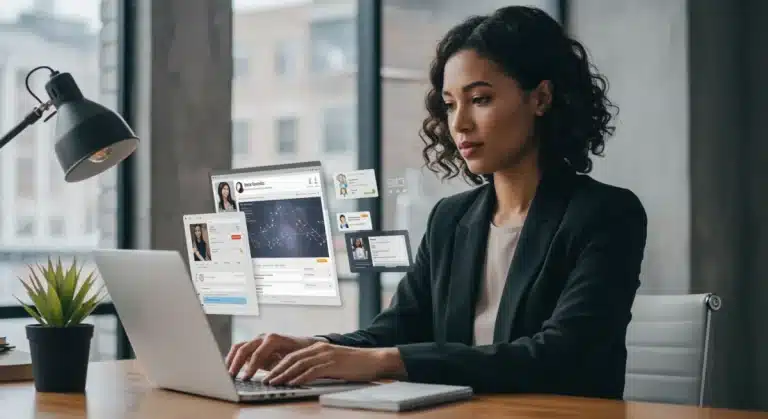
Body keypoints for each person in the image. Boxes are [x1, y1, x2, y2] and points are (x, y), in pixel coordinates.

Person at [225, 6, 647, 399]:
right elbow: (395, 330)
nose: (459, 124)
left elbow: (560, 355)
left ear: (540, 98)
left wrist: (385, 361)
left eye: (480, 99)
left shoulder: (606, 215)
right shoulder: (452, 218)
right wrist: (312, 347)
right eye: (449, 105)